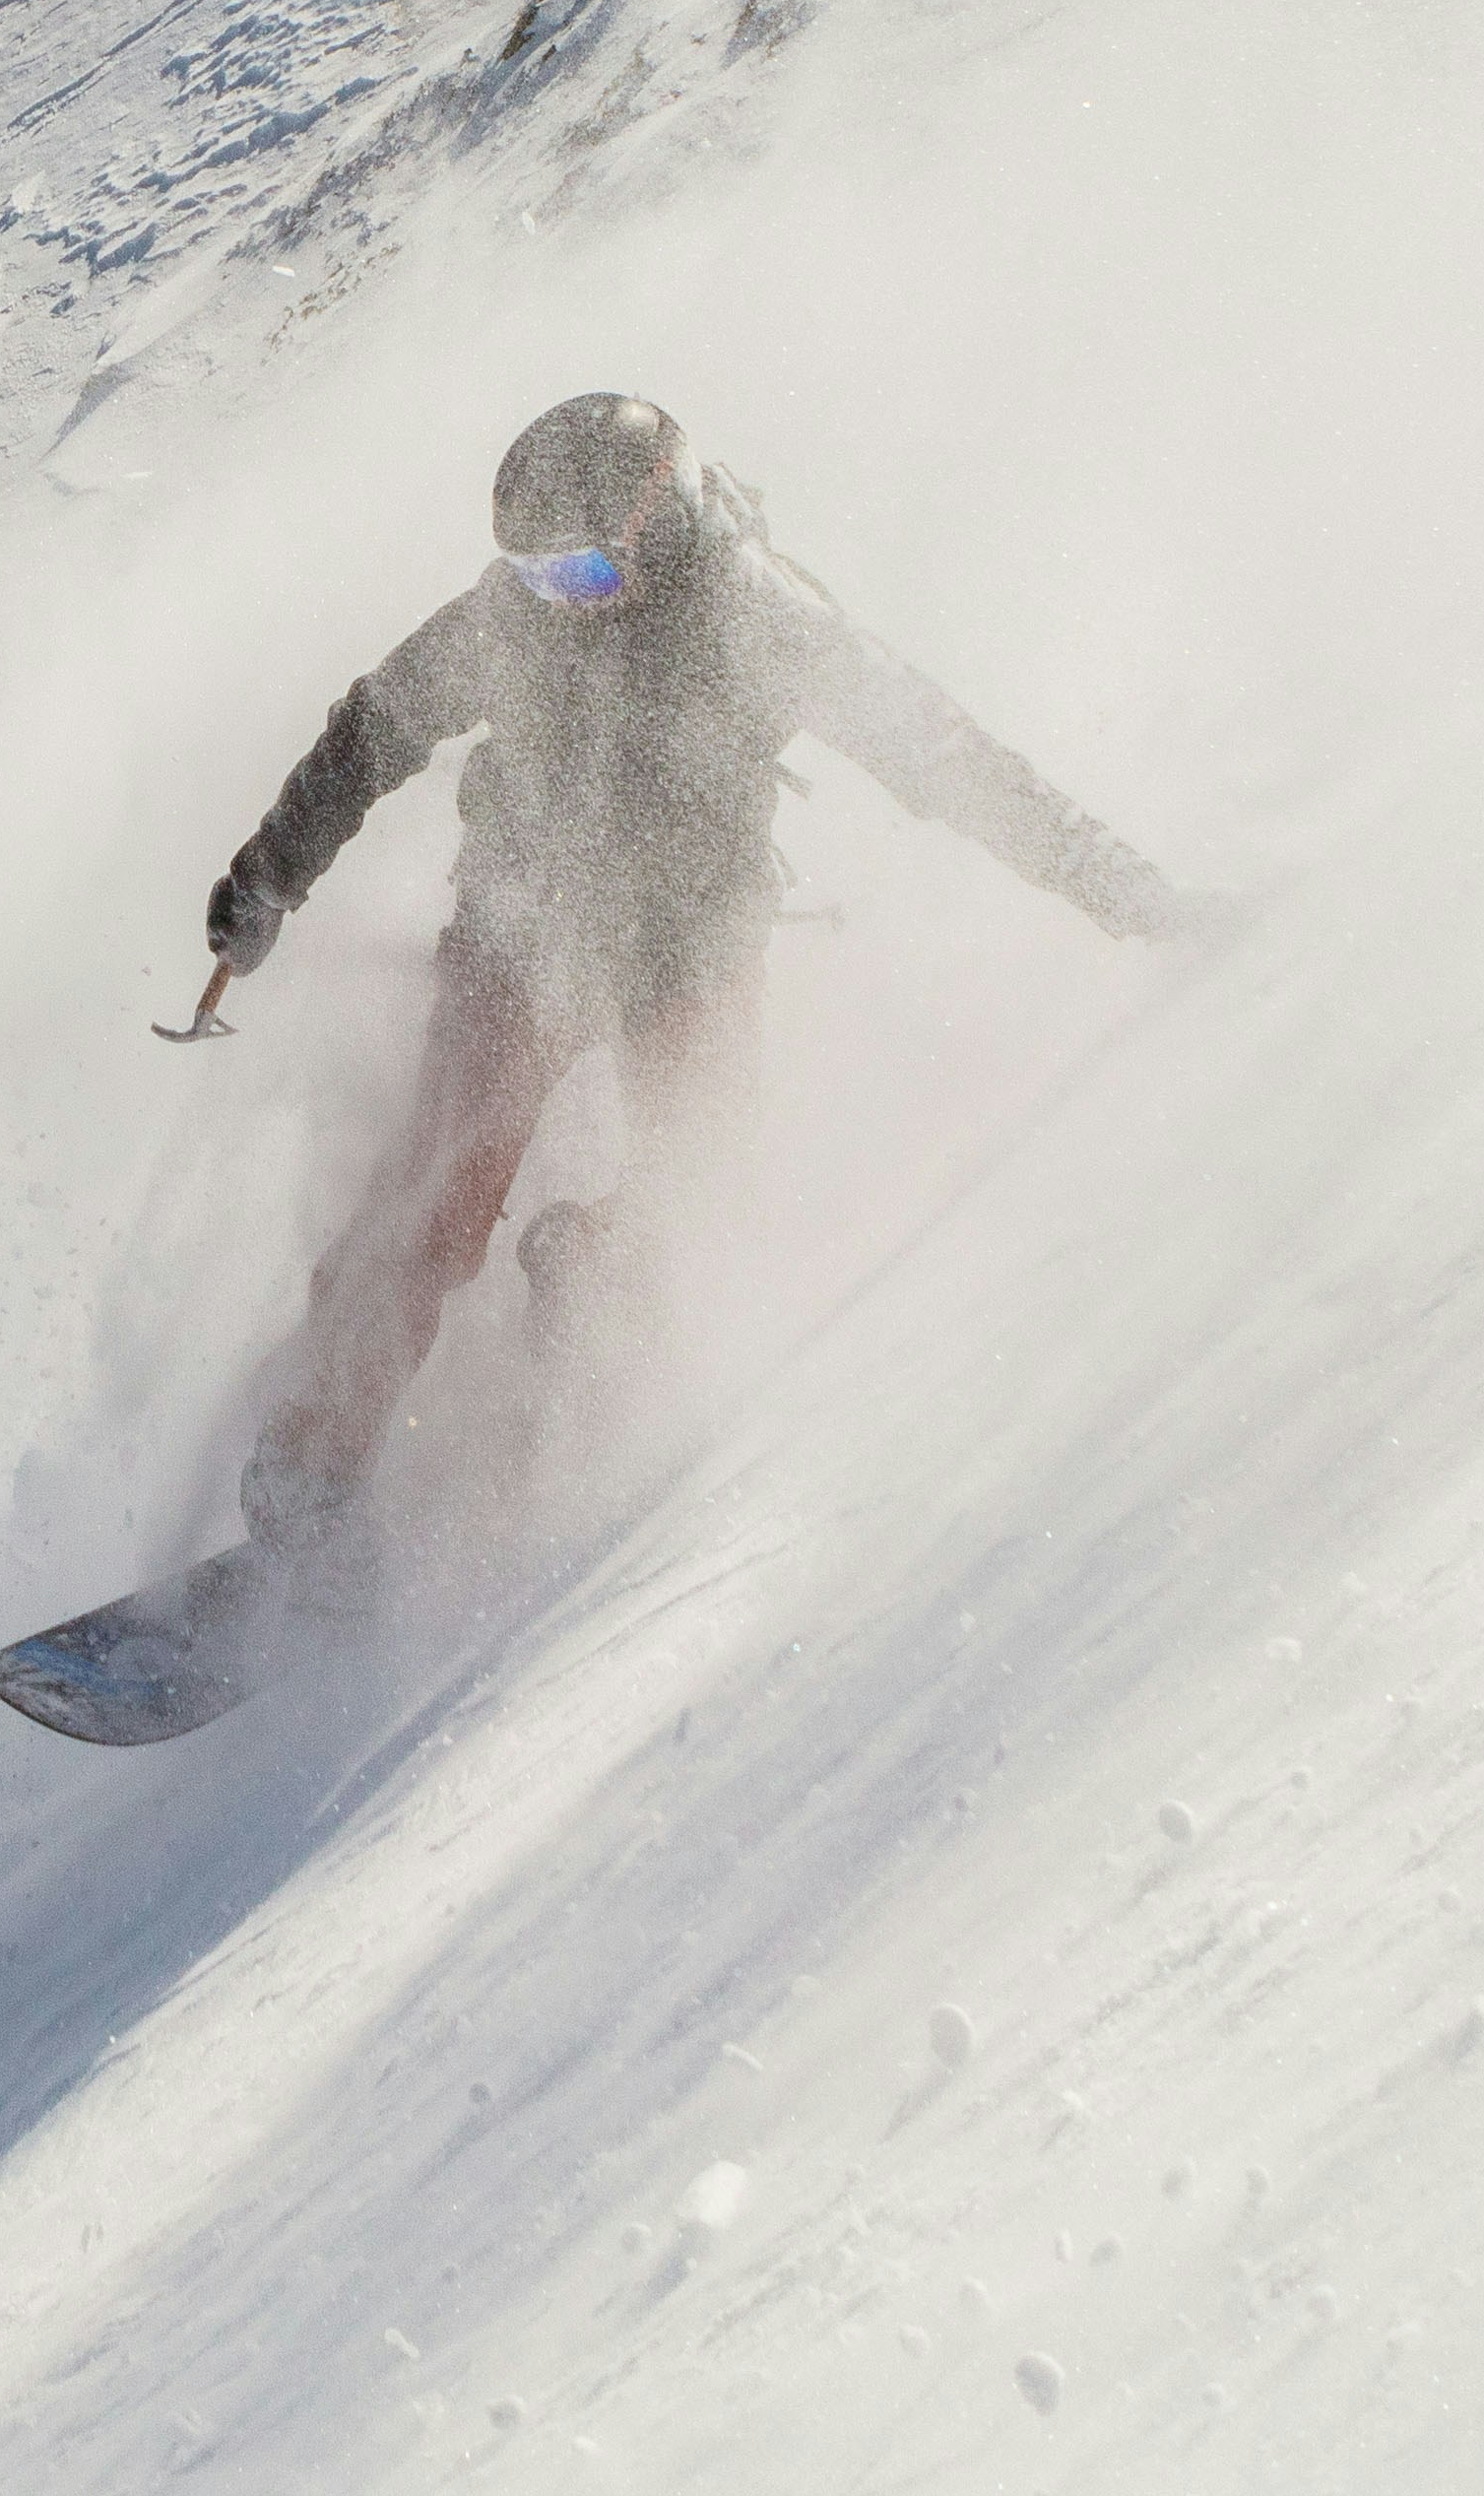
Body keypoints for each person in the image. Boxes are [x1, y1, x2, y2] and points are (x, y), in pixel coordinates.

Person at [165, 390, 1187, 1594]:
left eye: (584, 576)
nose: (560, 603)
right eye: (538, 577)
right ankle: (309, 1484)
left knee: (698, 1190)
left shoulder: (762, 619)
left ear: (661, 519)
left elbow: (952, 761)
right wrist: (268, 874)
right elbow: (371, 734)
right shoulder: (516, 615)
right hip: (524, 930)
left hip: (684, 950)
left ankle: (588, 1292)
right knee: (438, 1190)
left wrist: (1123, 890)